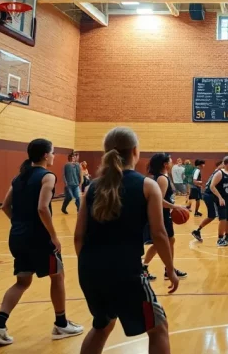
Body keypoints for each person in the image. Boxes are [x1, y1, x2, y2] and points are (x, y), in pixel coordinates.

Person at [74, 127, 177, 354]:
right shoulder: (147, 185)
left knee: (102, 325)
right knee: (158, 328)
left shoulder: (91, 187)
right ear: (135, 151)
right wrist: (170, 269)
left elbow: (78, 236)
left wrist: (91, 265)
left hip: (89, 270)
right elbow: (159, 234)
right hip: (125, 271)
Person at [0, 139, 84, 345]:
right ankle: (61, 323)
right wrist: (54, 236)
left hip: (17, 236)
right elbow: (42, 208)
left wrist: (20, 224)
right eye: (53, 153)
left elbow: (5, 206)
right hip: (39, 238)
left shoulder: (19, 177)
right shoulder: (47, 176)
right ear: (46, 155)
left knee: (22, 281)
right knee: (57, 276)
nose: (54, 156)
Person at [141, 153, 188, 281]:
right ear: (165, 164)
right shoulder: (162, 179)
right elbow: (159, 201)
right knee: (160, 243)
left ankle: (168, 269)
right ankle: (146, 267)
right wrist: (175, 207)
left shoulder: (163, 177)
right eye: (170, 161)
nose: (172, 162)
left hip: (164, 214)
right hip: (161, 215)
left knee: (169, 241)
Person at [208, 156, 228, 247]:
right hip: (222, 200)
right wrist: (220, 197)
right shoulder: (219, 173)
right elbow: (212, 186)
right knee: (223, 219)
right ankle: (219, 239)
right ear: (226, 163)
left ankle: (227, 236)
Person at [190, 161, 222, 243]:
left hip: (210, 195)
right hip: (209, 195)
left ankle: (197, 230)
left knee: (215, 216)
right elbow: (194, 181)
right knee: (216, 216)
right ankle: (222, 237)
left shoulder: (218, 172)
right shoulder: (218, 172)